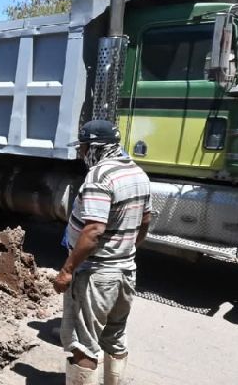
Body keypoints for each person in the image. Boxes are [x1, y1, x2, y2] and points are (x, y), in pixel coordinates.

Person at [53, 119, 152, 385]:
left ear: (95, 147)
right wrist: (125, 251)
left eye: (84, 147)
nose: (82, 154)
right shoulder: (138, 173)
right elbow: (145, 222)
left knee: (83, 343)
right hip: (125, 271)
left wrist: (66, 271)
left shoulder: (100, 177)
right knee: (115, 337)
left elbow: (94, 230)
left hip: (97, 275)